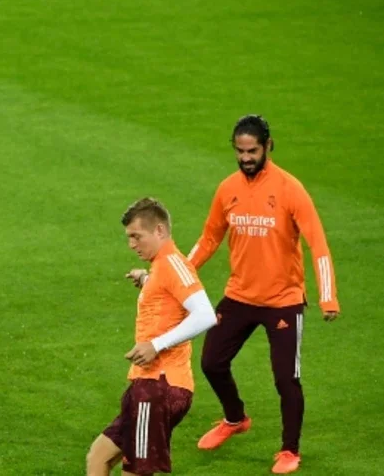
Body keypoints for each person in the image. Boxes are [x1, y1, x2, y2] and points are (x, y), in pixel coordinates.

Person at [135, 115, 340, 474]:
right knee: (212, 361)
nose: (246, 158)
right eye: (240, 151)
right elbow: (211, 236)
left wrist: (328, 297)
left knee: (284, 378)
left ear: (268, 147)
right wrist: (179, 273)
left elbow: (317, 243)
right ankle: (235, 419)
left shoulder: (290, 189)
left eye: (252, 151)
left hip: (283, 300)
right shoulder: (227, 188)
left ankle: (289, 450)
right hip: (240, 296)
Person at [86, 198, 216, 476]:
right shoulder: (159, 267)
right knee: (98, 456)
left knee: (135, 472)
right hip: (145, 384)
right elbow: (168, 296)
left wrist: (156, 345)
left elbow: (206, 314)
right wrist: (146, 280)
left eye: (136, 236)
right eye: (129, 238)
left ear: (159, 231)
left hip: (161, 386)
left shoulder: (173, 264)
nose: (132, 244)